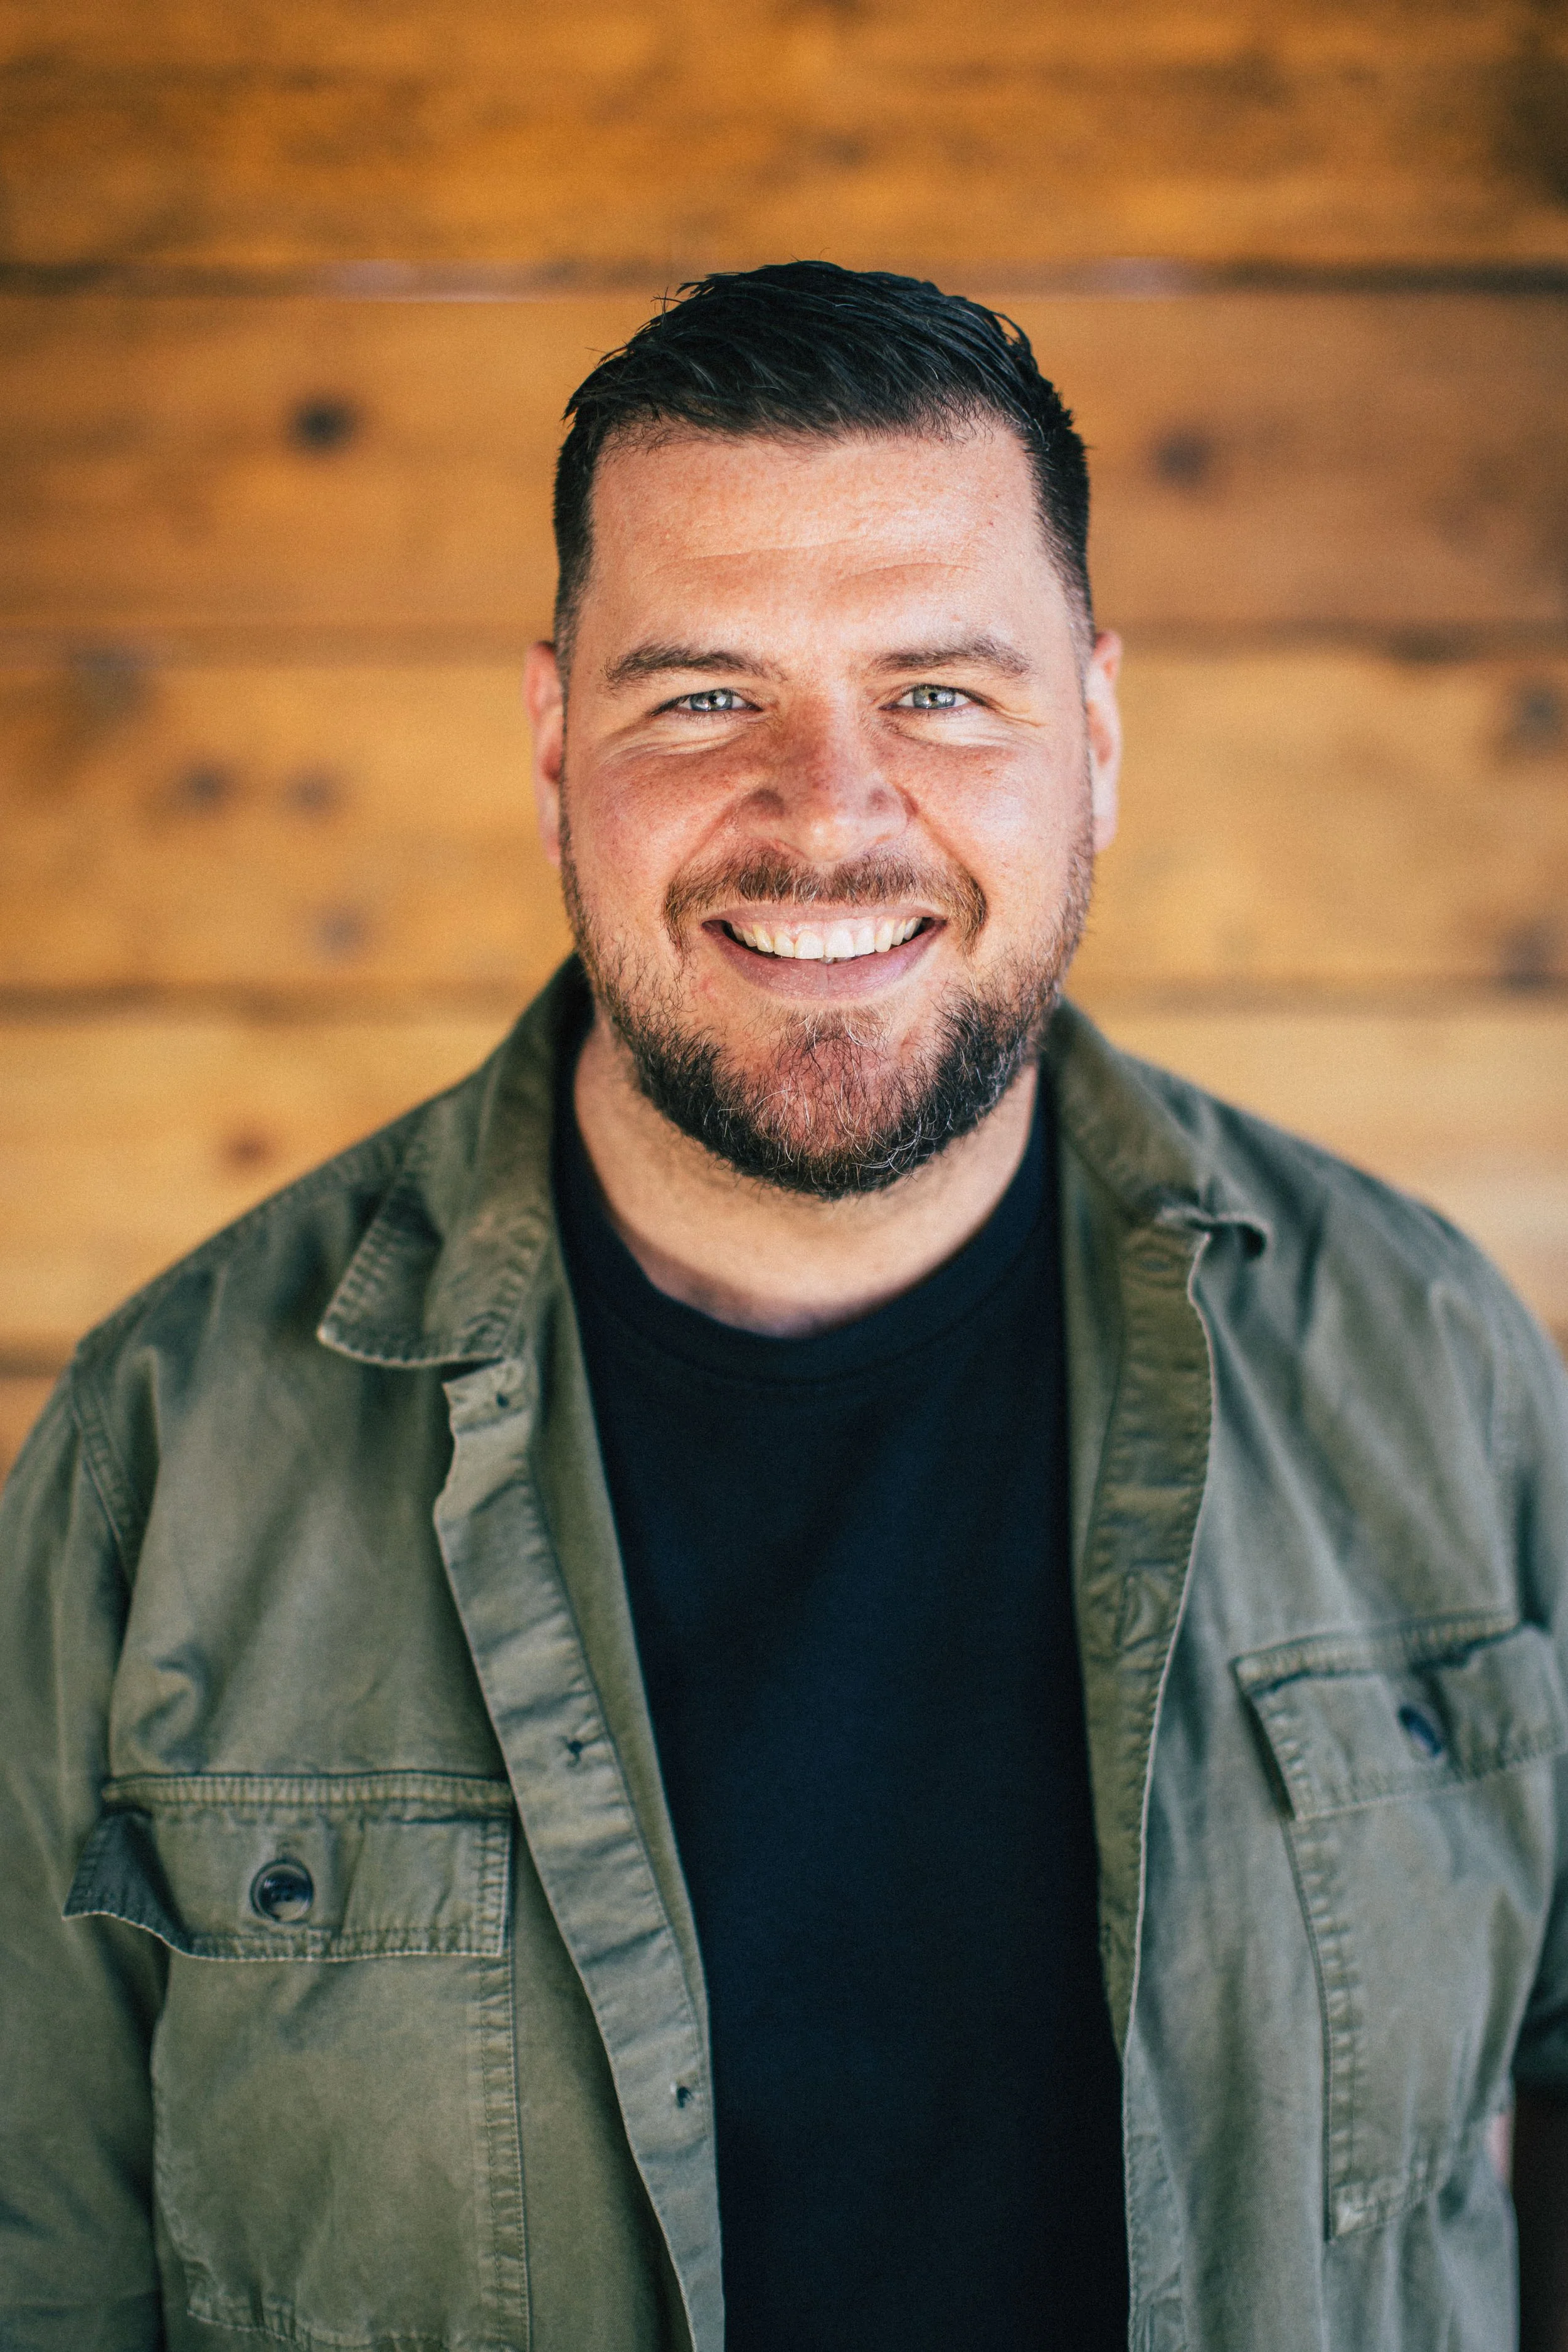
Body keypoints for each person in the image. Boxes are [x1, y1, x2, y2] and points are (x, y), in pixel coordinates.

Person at [2, 262, 1566, 2352]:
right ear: (557, 738)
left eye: (939, 691)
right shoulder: (172, 1444)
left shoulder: (1424, 1364)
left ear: (1090, 733)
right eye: (704, 693)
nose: (828, 814)